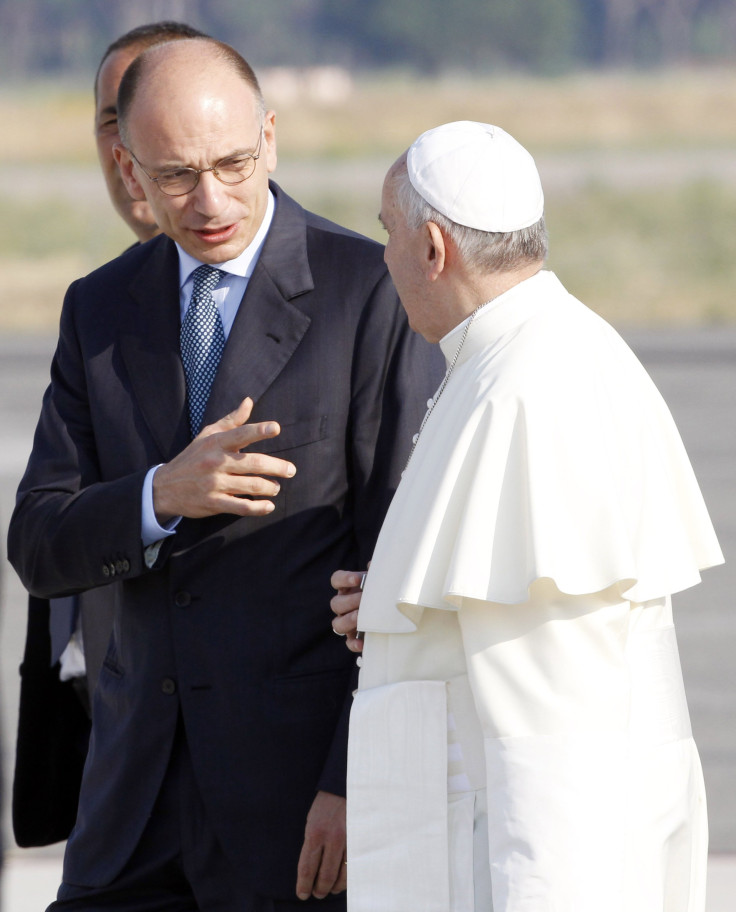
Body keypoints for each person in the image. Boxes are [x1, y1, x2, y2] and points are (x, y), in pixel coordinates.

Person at [7, 37, 442, 911]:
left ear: (270, 141)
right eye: (174, 176)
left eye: (233, 165)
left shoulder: (369, 292)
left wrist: (355, 783)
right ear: (129, 170)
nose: (210, 201)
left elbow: (403, 569)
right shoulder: (97, 306)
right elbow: (38, 542)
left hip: (296, 812)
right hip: (129, 808)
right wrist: (157, 497)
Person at [331, 121, 724, 911]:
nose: (383, 259)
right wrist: (405, 608)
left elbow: (552, 745)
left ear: (434, 248)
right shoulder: (517, 356)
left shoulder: (531, 387)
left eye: (388, 234)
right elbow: (497, 607)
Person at [11, 21, 207, 851]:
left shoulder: (319, 301)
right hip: (112, 753)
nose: (125, 149)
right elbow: (40, 532)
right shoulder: (96, 306)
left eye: (146, 123)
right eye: (109, 122)